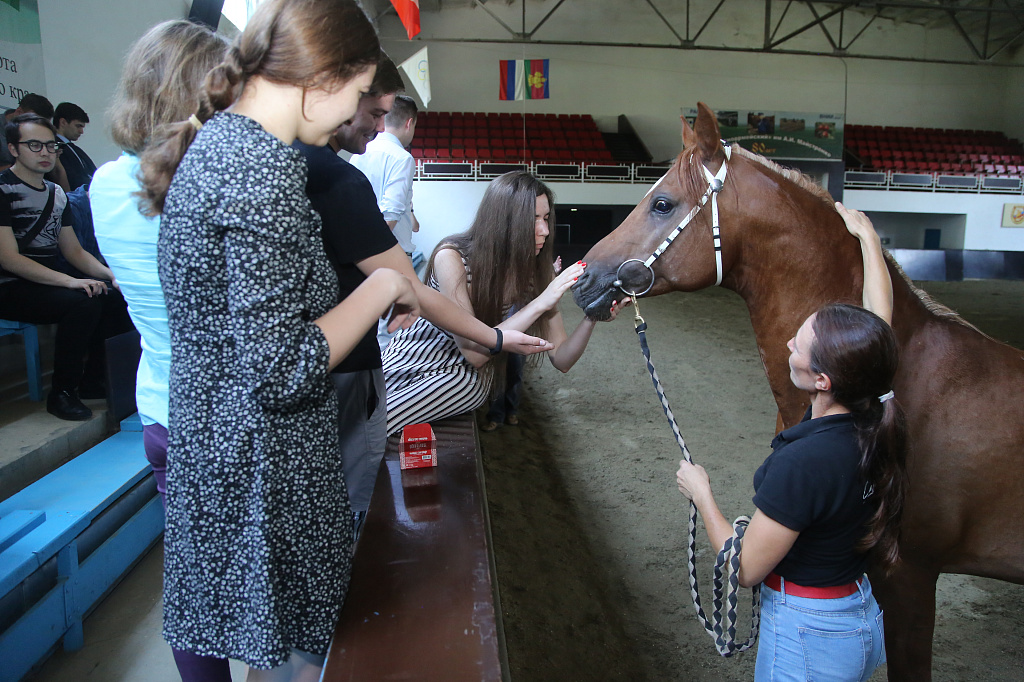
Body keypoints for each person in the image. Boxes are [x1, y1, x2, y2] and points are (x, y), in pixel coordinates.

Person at [138, 1, 419, 679]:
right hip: (269, 470)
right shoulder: (260, 170)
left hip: (227, 446)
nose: (356, 112)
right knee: (303, 660)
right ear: (323, 77)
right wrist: (380, 289)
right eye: (358, 94)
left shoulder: (222, 147)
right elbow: (284, 368)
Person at [295, 55, 550, 530]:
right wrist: (494, 337)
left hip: (339, 356)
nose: (379, 128)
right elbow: (406, 283)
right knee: (350, 482)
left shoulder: (287, 164)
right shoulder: (338, 176)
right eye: (374, 113)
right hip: (348, 362)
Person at [675, 203, 908, 682]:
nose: (788, 347)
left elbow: (745, 569)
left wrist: (702, 495)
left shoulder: (805, 461)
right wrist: (869, 241)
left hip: (809, 633)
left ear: (822, 380)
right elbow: (877, 323)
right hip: (856, 614)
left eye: (798, 345)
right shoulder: (874, 408)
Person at [90, 20, 230, 681]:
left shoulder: (102, 186)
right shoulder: (220, 186)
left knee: (197, 586)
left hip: (164, 410)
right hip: (234, 415)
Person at [383, 171, 630, 436]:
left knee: (472, 387)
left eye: (546, 219)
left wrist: (592, 317)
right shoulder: (452, 257)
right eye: (533, 219)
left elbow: (562, 359)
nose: (545, 231)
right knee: (367, 422)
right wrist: (541, 301)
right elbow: (475, 353)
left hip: (460, 375)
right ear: (504, 221)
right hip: (411, 362)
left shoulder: (534, 271)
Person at [0, 113, 131, 420]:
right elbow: (9, 258)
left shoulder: (56, 194)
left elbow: (73, 251)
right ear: (14, 149)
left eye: (51, 146)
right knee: (81, 304)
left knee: (115, 296)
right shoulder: (3, 191)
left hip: (43, 283)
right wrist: (69, 282)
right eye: (34, 145)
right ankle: (62, 393)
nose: (45, 152)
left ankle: (93, 380)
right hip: (9, 286)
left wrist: (113, 276)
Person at [349, 94, 421, 351]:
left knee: (369, 318)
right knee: (389, 327)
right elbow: (389, 212)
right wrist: (379, 251)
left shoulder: (360, 153)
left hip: (358, 247)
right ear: (409, 123)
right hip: (389, 249)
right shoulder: (402, 157)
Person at [52, 102, 98, 190]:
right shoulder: (54, 148)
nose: (81, 131)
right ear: (63, 122)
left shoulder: (73, 148)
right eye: (78, 126)